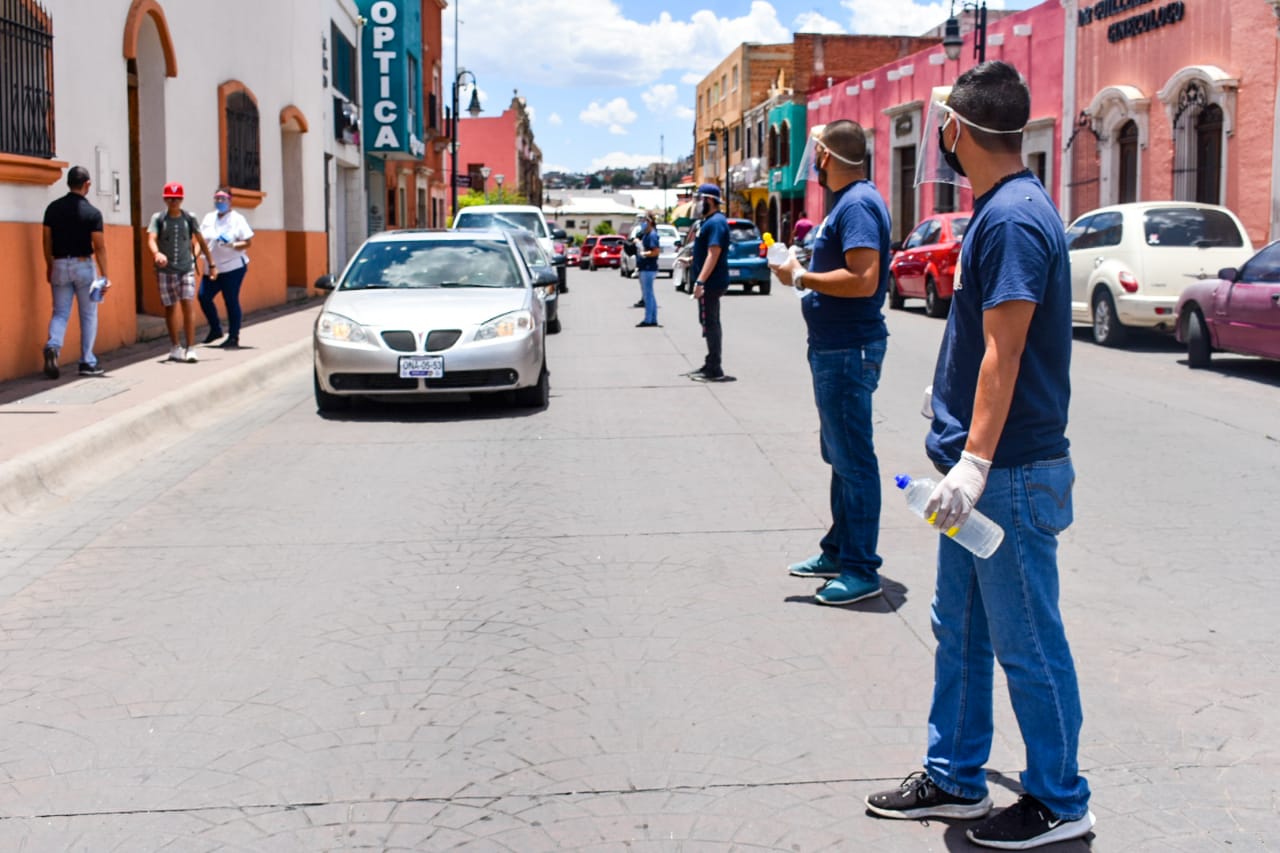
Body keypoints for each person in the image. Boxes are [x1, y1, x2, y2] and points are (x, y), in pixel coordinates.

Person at [864, 61, 1094, 849]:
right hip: (985, 470)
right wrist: (951, 412)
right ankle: (956, 774)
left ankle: (1060, 799)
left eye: (943, 127)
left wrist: (974, 462)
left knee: (1027, 643)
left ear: (956, 131)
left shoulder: (1014, 219)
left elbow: (1006, 350)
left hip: (1008, 476)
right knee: (959, 627)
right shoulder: (1002, 210)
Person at [770, 120, 891, 606]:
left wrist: (801, 277)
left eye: (814, 154)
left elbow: (864, 278)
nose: (813, 164)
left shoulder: (857, 204)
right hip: (834, 347)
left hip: (847, 349)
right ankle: (839, 551)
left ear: (824, 156)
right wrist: (801, 269)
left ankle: (861, 569)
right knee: (840, 457)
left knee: (854, 461)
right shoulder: (848, 203)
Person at [42, 165, 110, 378]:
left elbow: (46, 241)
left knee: (60, 312)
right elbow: (99, 246)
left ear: (68, 183)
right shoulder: (93, 213)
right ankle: (87, 361)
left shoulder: (52, 208)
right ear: (87, 184)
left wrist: (49, 265)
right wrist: (105, 275)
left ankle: (53, 346)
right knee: (88, 315)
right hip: (83, 266)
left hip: (59, 264)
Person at [148, 182, 215, 363]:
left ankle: (191, 347)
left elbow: (200, 240)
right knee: (170, 307)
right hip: (166, 270)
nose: (174, 201)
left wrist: (211, 263)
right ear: (165, 199)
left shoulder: (189, 218)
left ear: (182, 199)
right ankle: (175, 346)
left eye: (177, 198)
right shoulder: (158, 218)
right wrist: (157, 253)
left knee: (187, 304)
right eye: (170, 198)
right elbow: (151, 238)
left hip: (186, 269)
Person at [199, 187, 254, 348]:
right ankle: (215, 329)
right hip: (212, 268)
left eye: (223, 199)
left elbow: (248, 242)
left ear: (230, 201)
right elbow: (201, 240)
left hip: (233, 267)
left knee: (230, 300)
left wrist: (233, 245)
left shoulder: (237, 219)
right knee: (203, 296)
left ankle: (233, 336)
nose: (219, 202)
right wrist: (194, 256)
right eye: (217, 199)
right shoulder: (209, 218)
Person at [688, 183, 731, 382]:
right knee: (707, 321)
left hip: (711, 283)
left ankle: (715, 369)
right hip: (709, 281)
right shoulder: (708, 222)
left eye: (700, 199)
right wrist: (691, 260)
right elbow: (706, 252)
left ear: (710, 200)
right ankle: (710, 362)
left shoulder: (716, 223)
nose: (697, 203)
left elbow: (714, 254)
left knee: (711, 323)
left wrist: (700, 282)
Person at [635, 213, 661, 327]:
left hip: (648, 268)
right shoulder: (646, 234)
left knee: (648, 295)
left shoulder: (652, 235)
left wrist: (644, 253)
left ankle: (648, 319)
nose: (642, 223)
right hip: (644, 267)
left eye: (644, 220)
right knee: (649, 294)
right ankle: (652, 318)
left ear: (650, 222)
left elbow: (655, 251)